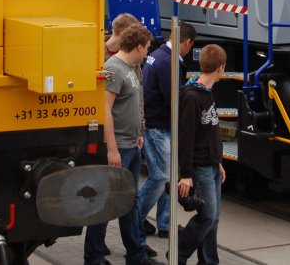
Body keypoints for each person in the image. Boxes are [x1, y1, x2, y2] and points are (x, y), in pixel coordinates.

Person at [83, 24, 160, 265]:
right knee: (105, 202)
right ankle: (93, 257)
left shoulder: (132, 68)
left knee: (131, 201)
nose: (147, 54)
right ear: (138, 47)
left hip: (131, 145)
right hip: (119, 149)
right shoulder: (113, 70)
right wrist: (112, 149)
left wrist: (139, 132)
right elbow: (104, 110)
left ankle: (136, 253)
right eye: (146, 49)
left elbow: (134, 104)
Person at [137, 21, 197, 239]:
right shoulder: (168, 63)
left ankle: (165, 223)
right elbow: (173, 99)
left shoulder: (158, 55)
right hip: (158, 127)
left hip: (156, 124)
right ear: (188, 43)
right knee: (161, 176)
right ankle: (135, 218)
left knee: (168, 175)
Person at [177, 44, 227, 265]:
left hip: (212, 164)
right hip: (201, 166)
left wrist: (219, 162)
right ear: (221, 68)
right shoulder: (192, 97)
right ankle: (178, 253)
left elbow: (211, 130)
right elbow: (187, 138)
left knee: (213, 217)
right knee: (207, 216)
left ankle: (208, 260)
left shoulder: (207, 93)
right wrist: (186, 173)